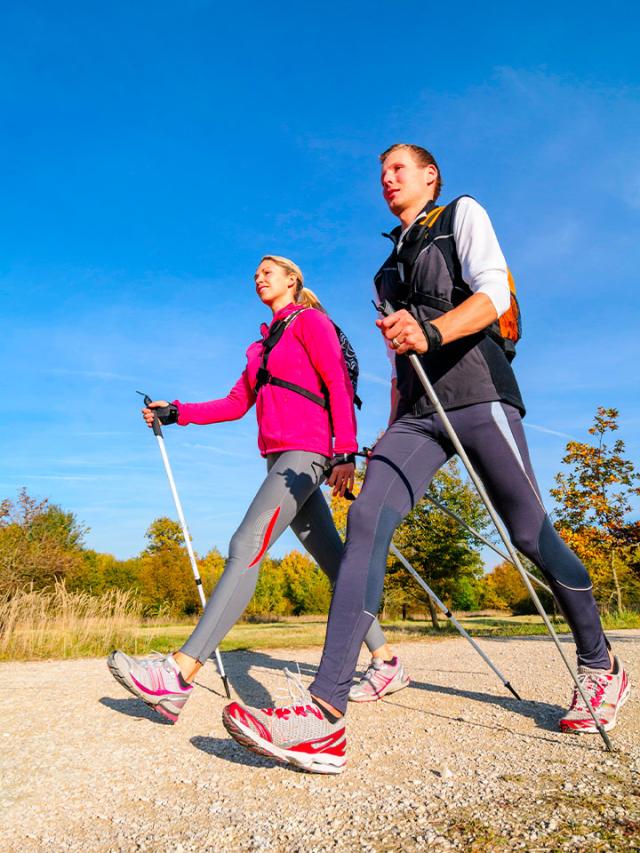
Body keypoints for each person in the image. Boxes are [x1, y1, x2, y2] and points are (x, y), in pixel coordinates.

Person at [222, 145, 631, 774]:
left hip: (476, 392)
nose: (387, 180)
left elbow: (493, 294)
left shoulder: (461, 215)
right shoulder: (382, 273)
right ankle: (324, 715)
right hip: (416, 414)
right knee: (365, 523)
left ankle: (601, 664)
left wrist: (434, 331)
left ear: (430, 176)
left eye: (399, 169)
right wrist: (387, 432)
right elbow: (394, 358)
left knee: (526, 531)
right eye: (380, 173)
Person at [107, 255, 408, 723]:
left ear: (293, 280)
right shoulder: (259, 347)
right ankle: (386, 661)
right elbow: (234, 404)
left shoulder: (311, 322)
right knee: (336, 562)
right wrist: (177, 412)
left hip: (308, 455)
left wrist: (344, 452)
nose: (259, 278)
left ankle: (178, 675)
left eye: (268, 272)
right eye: (255, 275)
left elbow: (335, 384)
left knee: (245, 543)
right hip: (278, 461)